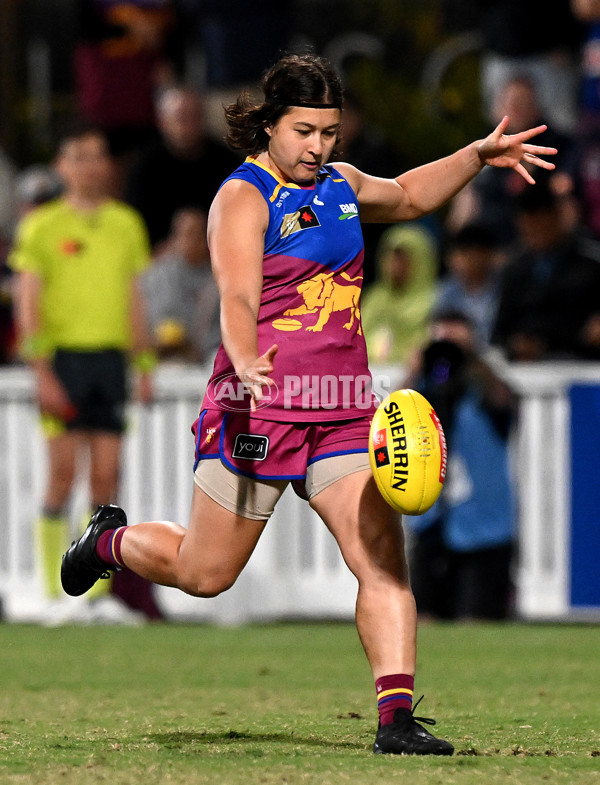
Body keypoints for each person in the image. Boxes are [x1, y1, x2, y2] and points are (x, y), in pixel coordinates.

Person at [60, 53, 556, 754]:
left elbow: (410, 195)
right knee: (205, 573)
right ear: (269, 124)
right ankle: (107, 540)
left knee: (381, 557)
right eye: (304, 131)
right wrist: (241, 353)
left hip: (343, 410)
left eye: (329, 132)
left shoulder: (343, 185)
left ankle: (395, 718)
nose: (319, 147)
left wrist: (476, 155)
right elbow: (236, 294)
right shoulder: (242, 197)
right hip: (255, 407)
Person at [10, 125, 163, 623]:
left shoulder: (125, 224)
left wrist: (143, 362)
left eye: (98, 156)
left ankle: (95, 599)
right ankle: (52, 594)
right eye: (79, 156)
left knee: (106, 478)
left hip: (110, 360)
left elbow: (135, 298)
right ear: (62, 166)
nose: (91, 166)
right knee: (61, 476)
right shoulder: (41, 227)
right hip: (64, 360)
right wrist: (41, 370)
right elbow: (27, 300)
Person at [403, 310, 517, 621]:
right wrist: (416, 368)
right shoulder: (424, 388)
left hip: (483, 525)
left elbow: (504, 403)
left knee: (478, 618)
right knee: (423, 616)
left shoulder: (481, 385)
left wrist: (473, 356)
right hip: (431, 521)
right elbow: (394, 422)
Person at [491, 182, 600, 360]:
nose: (535, 235)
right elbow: (499, 333)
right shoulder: (515, 270)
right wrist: (515, 344)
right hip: (526, 369)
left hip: (580, 363)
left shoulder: (591, 264)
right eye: (528, 230)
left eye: (541, 226)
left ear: (557, 217)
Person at [124, 86, 240, 249]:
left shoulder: (226, 161)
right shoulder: (145, 166)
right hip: (162, 256)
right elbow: (135, 222)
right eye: (181, 119)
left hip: (215, 252)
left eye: (194, 117)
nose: (188, 126)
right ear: (162, 122)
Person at [142, 207, 220, 363]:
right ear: (174, 238)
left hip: (202, 362)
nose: (191, 241)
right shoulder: (157, 274)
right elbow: (142, 317)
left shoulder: (219, 280)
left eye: (197, 235)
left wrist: (194, 346)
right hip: (160, 359)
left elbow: (224, 330)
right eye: (185, 234)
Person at [361, 223, 438, 365]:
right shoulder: (374, 298)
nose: (393, 265)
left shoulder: (436, 301)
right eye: (390, 256)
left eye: (402, 258)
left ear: (420, 261)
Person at [435, 222, 502, 346]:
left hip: (495, 353)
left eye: (470, 255)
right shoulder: (448, 289)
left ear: (487, 255)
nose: (462, 261)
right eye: (460, 254)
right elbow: (438, 328)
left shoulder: (503, 288)